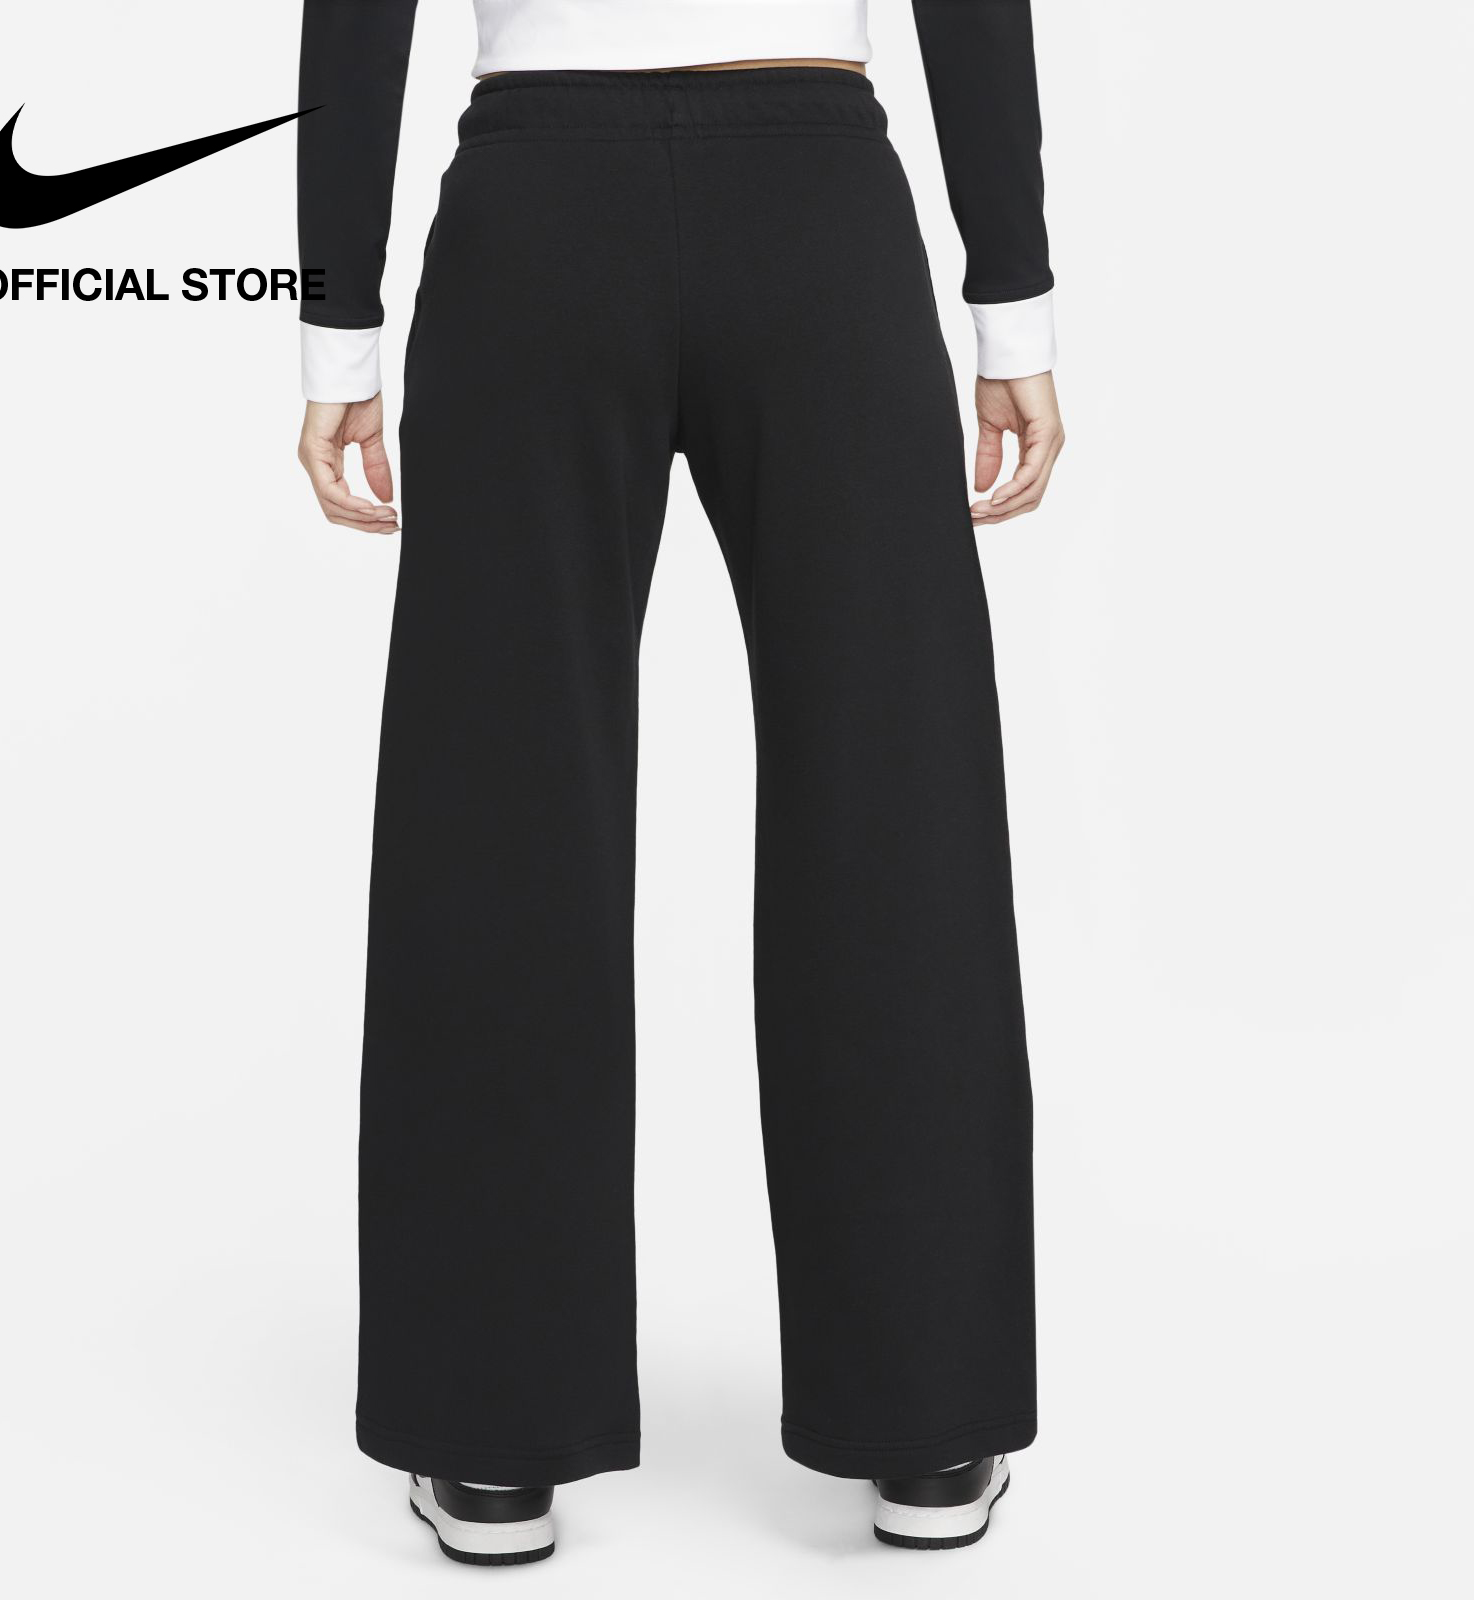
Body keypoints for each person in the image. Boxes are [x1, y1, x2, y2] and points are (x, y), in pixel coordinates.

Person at [295, 0, 1062, 1566]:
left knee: (494, 810)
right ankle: (927, 1421)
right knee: (893, 801)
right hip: (818, 208)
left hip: (532, 217)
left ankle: (490, 1432)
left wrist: (338, 326)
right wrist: (1013, 305)